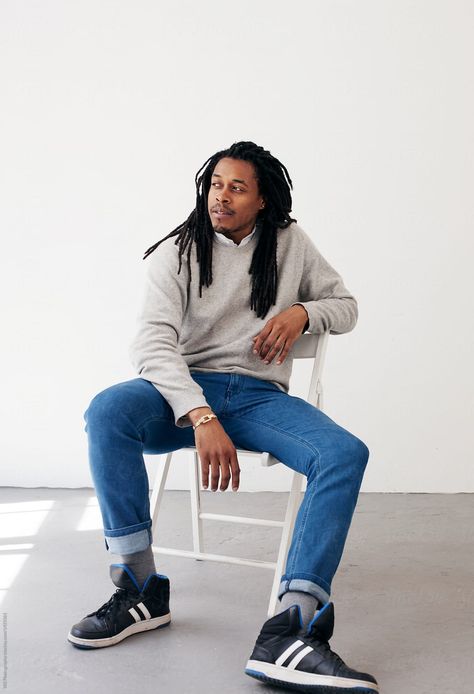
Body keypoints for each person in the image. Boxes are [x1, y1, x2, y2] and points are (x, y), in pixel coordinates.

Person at [68, 141, 378, 693]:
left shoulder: (290, 244)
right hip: (182, 395)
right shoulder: (179, 251)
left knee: (343, 453)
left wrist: (303, 312)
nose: (221, 196)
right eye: (215, 184)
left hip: (259, 398)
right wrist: (200, 414)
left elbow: (347, 306)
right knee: (108, 410)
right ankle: (139, 589)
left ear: (263, 200)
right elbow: (152, 344)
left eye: (237, 187)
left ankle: (291, 626)